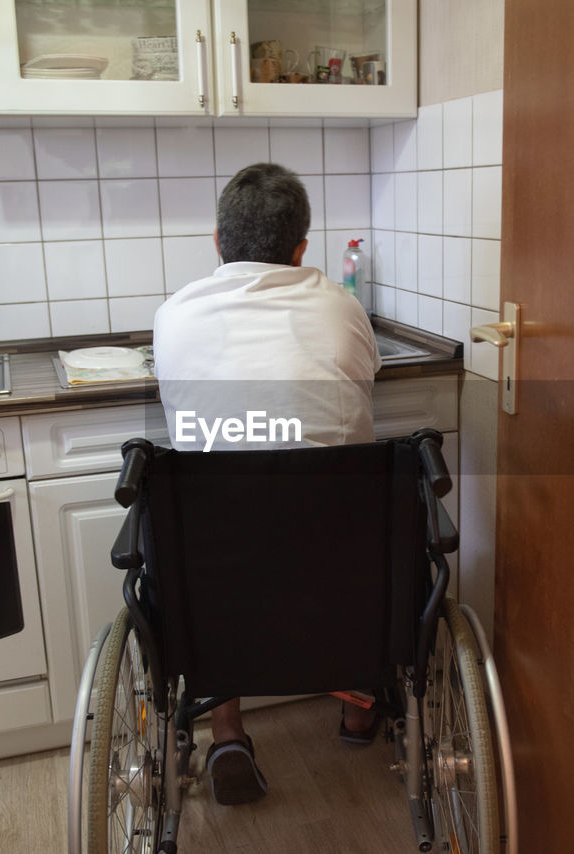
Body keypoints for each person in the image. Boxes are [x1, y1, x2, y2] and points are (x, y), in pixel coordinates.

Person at [151, 162, 381, 806]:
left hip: (215, 558)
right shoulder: (345, 307)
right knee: (349, 531)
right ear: (302, 249)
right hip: (334, 552)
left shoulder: (174, 315)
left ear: (218, 242)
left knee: (215, 544)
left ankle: (226, 733)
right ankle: (360, 709)